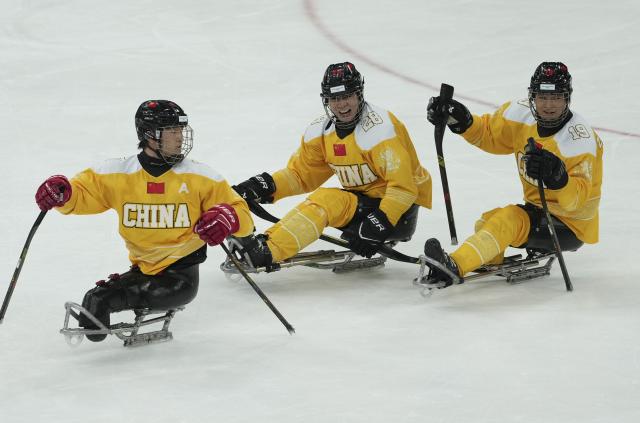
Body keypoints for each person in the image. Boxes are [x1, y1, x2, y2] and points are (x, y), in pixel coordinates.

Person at [35, 100, 254, 341]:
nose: (180, 138)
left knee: (97, 302)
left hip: (180, 278)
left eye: (181, 130)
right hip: (142, 270)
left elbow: (242, 216)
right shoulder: (118, 173)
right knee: (93, 303)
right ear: (150, 135)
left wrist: (228, 219)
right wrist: (62, 194)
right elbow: (82, 195)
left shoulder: (201, 178)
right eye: (171, 131)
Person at [231, 61, 432, 269]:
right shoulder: (322, 132)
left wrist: (378, 224)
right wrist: (264, 186)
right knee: (326, 200)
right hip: (363, 204)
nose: (342, 105)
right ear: (326, 100)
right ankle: (268, 244)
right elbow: (301, 175)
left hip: (398, 214)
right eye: (335, 98)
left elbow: (404, 189)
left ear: (359, 94)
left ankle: (268, 252)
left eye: (347, 96)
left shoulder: (379, 131)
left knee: (327, 200)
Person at [424, 61, 603, 287]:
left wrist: (558, 178)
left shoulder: (580, 141)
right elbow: (490, 134)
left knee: (508, 219)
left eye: (556, 97)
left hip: (571, 224)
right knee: (487, 222)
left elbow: (578, 202)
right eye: (542, 97)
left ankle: (454, 266)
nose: (548, 105)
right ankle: (488, 257)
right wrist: (462, 121)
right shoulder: (521, 115)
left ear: (567, 98)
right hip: (538, 210)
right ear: (532, 97)